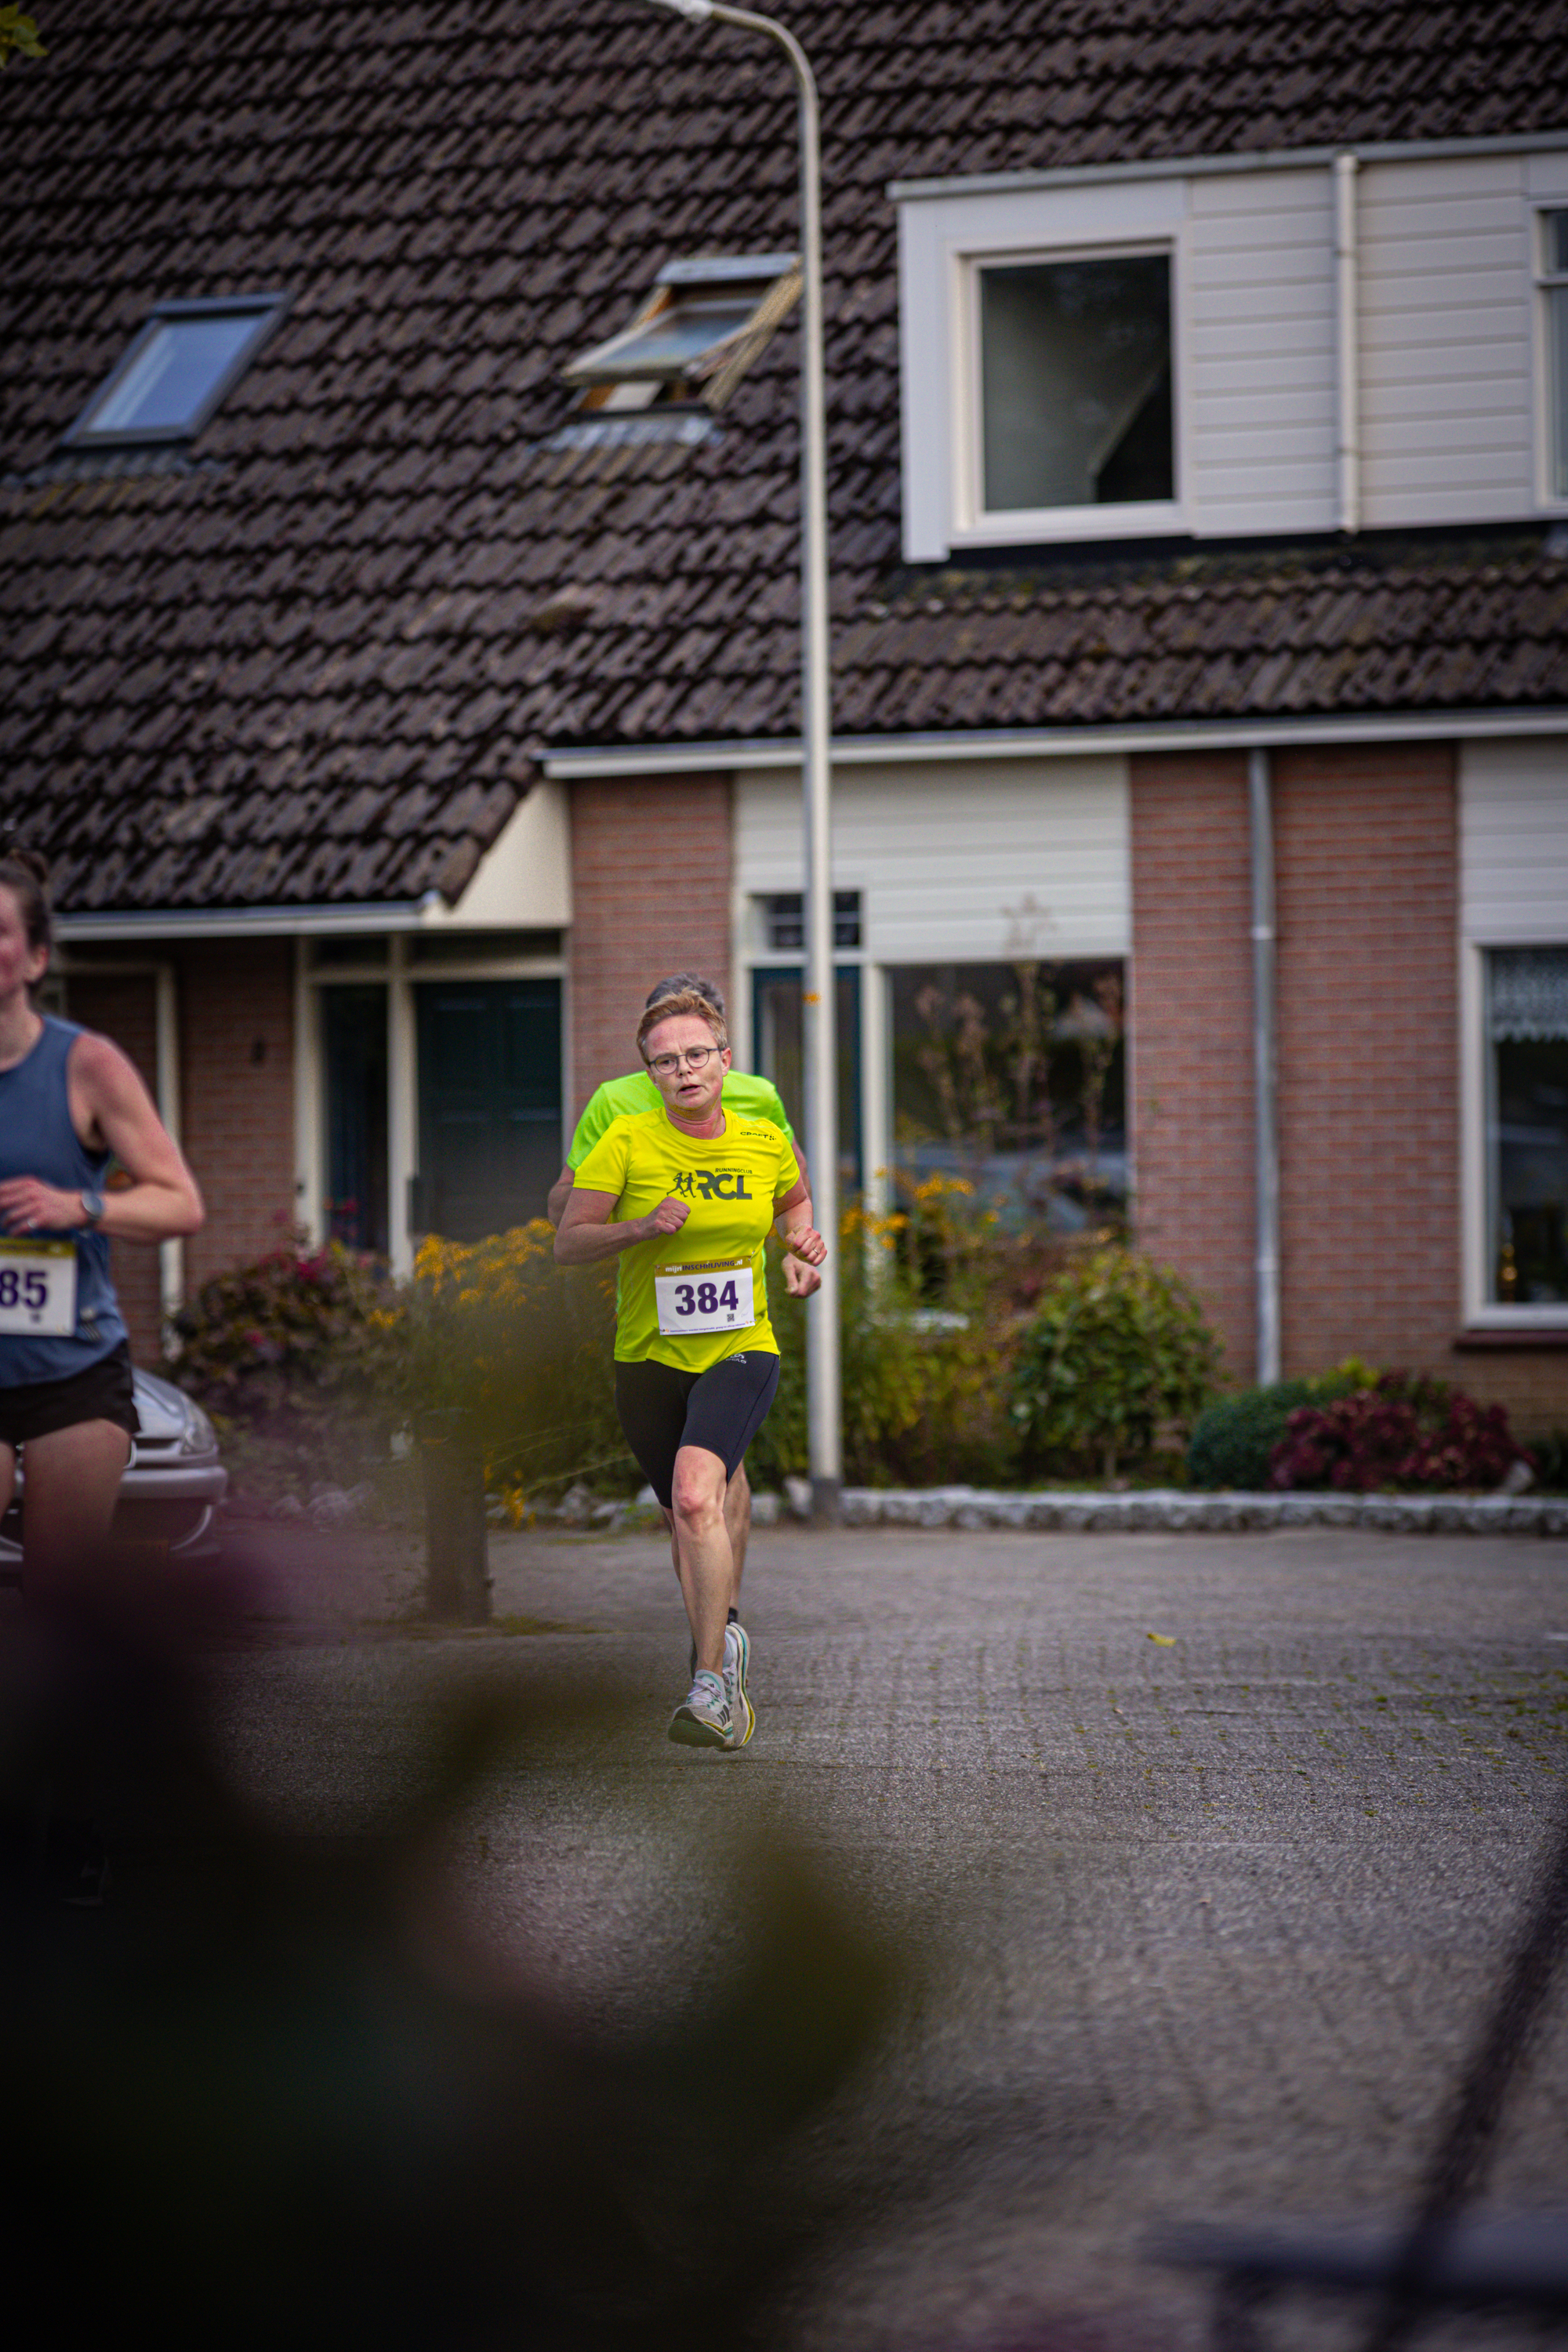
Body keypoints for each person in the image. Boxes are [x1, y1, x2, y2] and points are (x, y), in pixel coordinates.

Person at [554, 986, 826, 1749]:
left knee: (696, 1492)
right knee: (682, 1516)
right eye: (666, 1061)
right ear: (648, 1070)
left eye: (696, 1055)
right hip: (645, 1354)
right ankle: (722, 1651)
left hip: (740, 1345)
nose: (683, 1070)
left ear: (724, 1058)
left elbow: (793, 1204)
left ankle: (709, 1684)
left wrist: (801, 1252)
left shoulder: (762, 1130)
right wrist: (639, 1227)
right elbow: (566, 1239)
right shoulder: (623, 1132)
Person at [0, 847, 205, 1589]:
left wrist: (79, 1206)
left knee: (61, 1594)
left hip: (74, 1368)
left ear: (34, 958)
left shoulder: (86, 1065)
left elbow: (181, 1202)